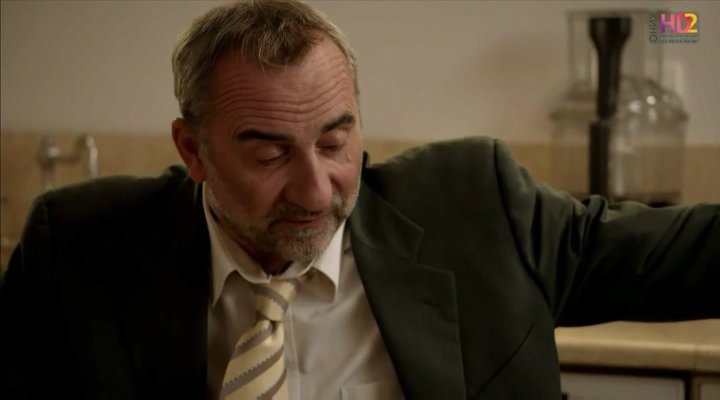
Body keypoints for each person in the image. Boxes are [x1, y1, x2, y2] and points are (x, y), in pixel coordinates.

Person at [0, 1, 718, 399]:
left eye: (336, 142)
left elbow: (693, 253)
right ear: (194, 151)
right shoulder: (79, 247)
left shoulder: (479, 211)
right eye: (270, 154)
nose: (316, 190)